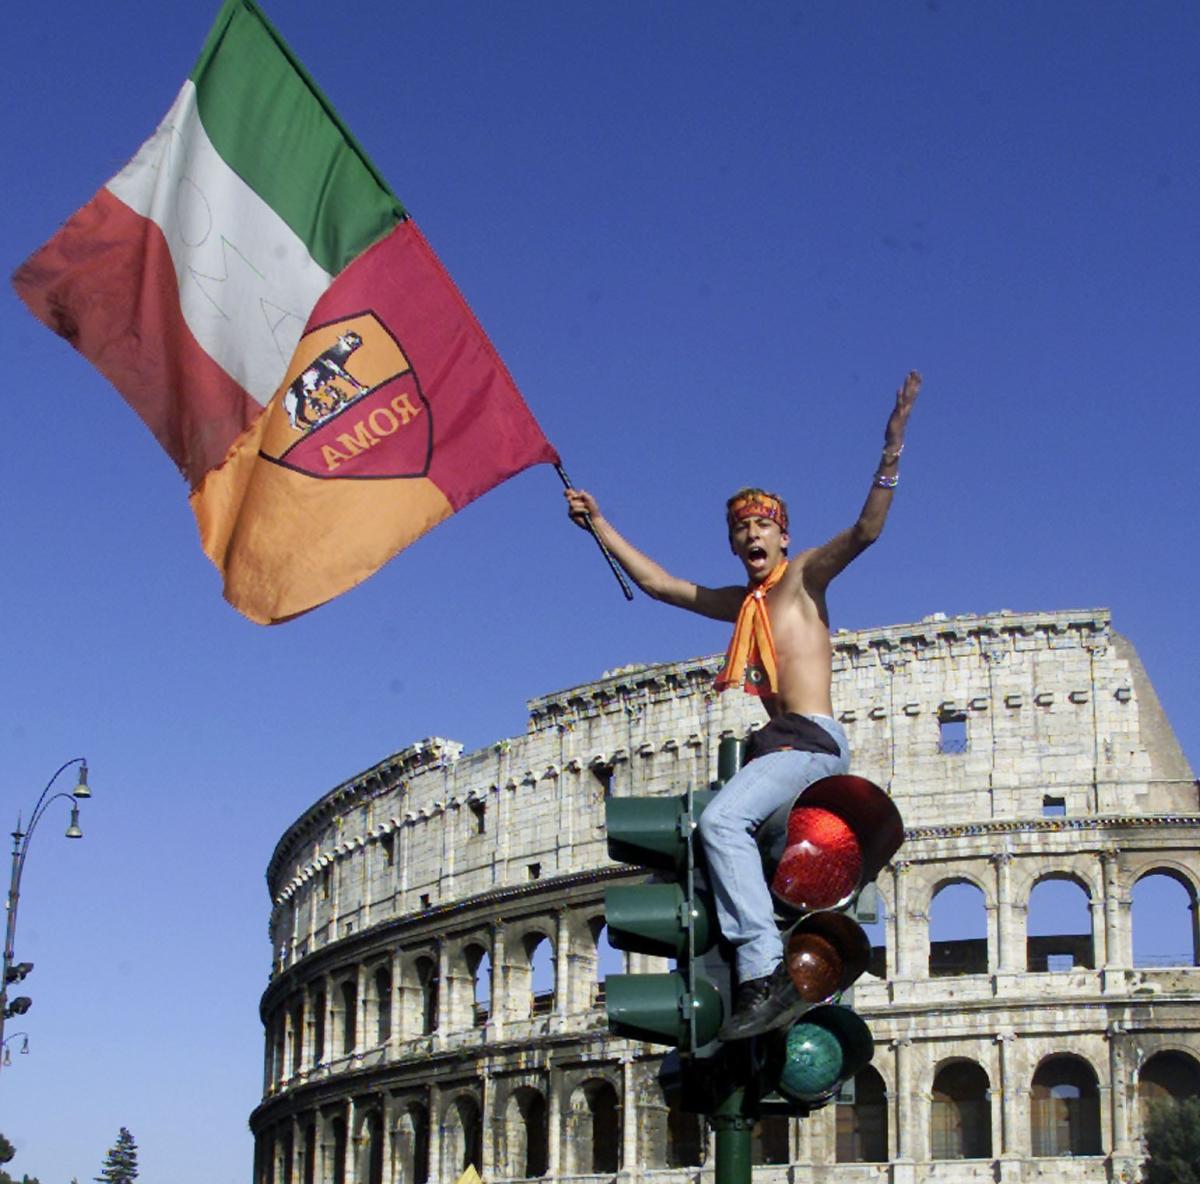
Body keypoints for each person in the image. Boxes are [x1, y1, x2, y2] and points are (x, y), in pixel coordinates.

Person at [565, 370, 921, 1040]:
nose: (752, 537)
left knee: (722, 823)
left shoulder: (804, 581)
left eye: (763, 525)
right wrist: (598, 524)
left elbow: (868, 531)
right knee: (763, 854)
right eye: (742, 530)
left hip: (808, 742)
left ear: (784, 537)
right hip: (781, 748)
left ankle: (764, 969)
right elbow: (664, 586)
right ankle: (783, 950)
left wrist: (891, 449)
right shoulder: (743, 606)